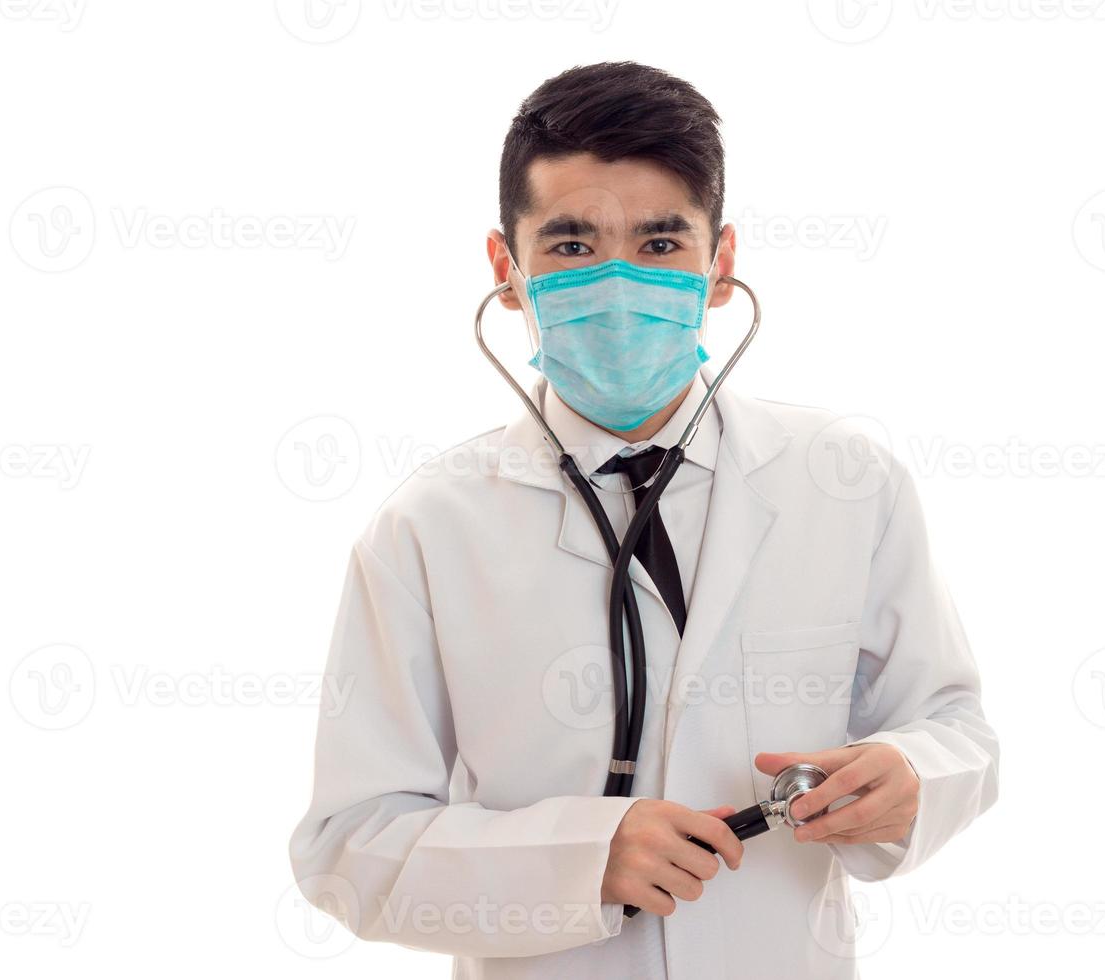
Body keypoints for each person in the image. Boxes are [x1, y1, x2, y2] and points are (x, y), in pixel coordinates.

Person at [287, 61, 999, 980]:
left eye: (661, 245)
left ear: (721, 265)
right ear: (507, 272)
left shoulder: (846, 480)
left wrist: (912, 779)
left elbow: (955, 727)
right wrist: (581, 862)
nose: (619, 284)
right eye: (574, 246)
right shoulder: (427, 531)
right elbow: (345, 847)